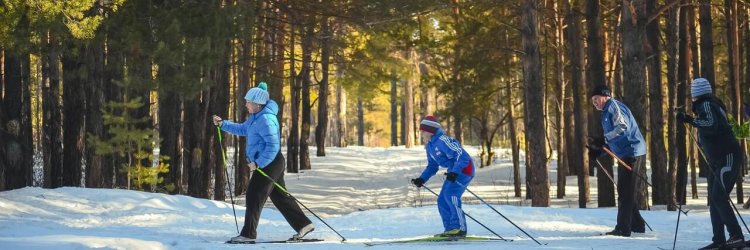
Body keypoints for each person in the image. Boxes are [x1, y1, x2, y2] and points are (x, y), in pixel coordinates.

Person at [213, 82, 314, 244]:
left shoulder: (266, 119)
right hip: (271, 162)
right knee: (280, 196)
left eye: (248, 102)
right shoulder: (255, 118)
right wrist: (223, 124)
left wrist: (259, 163)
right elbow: (242, 129)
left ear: (257, 104)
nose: (246, 104)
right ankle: (304, 225)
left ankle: (248, 234)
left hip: (270, 163)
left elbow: (273, 145)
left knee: (254, 195)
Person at [677, 78, 744, 249]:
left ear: (696, 93)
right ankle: (719, 239)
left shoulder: (706, 104)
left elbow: (711, 124)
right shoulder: (708, 104)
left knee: (719, 197)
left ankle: (736, 236)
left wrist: (690, 120)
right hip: (718, 160)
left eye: (693, 90)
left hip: (727, 156)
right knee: (714, 200)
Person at [587, 85, 646, 237]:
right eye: (592, 100)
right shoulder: (605, 112)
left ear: (605, 96)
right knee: (624, 189)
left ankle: (623, 228)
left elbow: (622, 127)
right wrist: (599, 152)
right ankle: (637, 225)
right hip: (624, 152)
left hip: (632, 151)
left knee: (625, 191)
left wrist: (603, 139)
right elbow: (615, 139)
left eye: (596, 99)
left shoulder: (613, 106)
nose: (594, 102)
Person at [410, 115, 475, 237]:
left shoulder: (442, 140)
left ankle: (459, 228)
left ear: (429, 131)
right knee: (441, 199)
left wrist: (455, 171)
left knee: (451, 195)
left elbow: (462, 155)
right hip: (453, 171)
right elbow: (432, 166)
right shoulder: (429, 146)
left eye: (423, 131)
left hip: (464, 169)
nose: (421, 134)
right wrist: (422, 179)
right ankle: (450, 229)